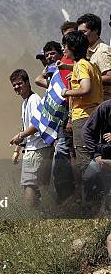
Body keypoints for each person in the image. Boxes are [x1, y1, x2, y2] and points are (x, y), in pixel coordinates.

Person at [60, 31, 104, 212]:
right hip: (96, 115)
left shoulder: (80, 66)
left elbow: (85, 88)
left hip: (83, 117)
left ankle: (92, 205)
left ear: (72, 48)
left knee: (85, 161)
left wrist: (67, 92)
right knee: (97, 157)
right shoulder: (91, 64)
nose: (63, 49)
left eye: (65, 46)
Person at [33, 41, 75, 203]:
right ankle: (61, 196)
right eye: (45, 55)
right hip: (57, 121)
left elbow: (67, 91)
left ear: (61, 53)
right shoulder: (51, 70)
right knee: (57, 158)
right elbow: (39, 80)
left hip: (67, 117)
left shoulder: (64, 68)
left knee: (64, 155)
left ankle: (69, 195)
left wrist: (70, 116)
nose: (48, 58)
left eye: (52, 53)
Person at [8, 69, 53, 206]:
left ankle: (31, 216)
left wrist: (20, 136)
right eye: (14, 85)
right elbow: (25, 126)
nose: (17, 87)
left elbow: (37, 124)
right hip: (33, 148)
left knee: (29, 184)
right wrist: (17, 150)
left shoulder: (34, 100)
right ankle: (46, 212)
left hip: (37, 147)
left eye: (20, 83)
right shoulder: (25, 102)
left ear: (27, 82)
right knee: (38, 185)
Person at [81, 100, 111, 216]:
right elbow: (86, 131)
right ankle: (90, 210)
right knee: (88, 177)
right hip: (103, 154)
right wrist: (96, 155)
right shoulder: (105, 107)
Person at [77, 13, 111, 101]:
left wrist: (87, 79)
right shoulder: (89, 50)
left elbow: (109, 77)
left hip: (103, 103)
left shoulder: (102, 51)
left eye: (83, 32)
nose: (80, 36)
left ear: (95, 30)